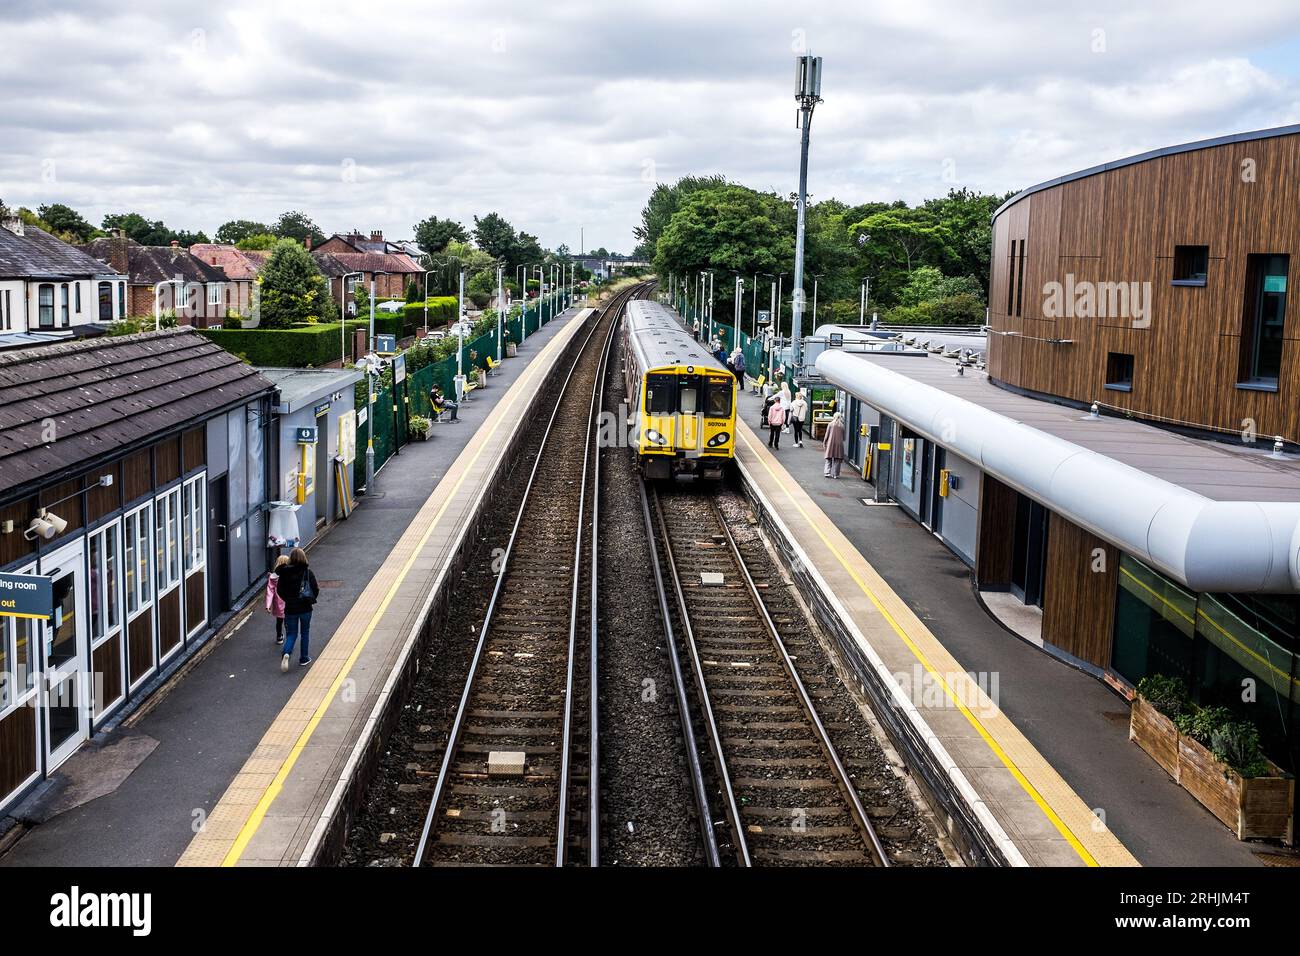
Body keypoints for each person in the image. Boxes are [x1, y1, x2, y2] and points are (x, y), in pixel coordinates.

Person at [277, 548, 319, 671]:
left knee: (291, 633)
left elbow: (280, 590)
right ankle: (304, 658)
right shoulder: (307, 572)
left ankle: (286, 653)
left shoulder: (284, 573)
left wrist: (288, 600)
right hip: (305, 607)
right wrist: (310, 599)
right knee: (305, 632)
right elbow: (315, 589)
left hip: (290, 608)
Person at [266, 554, 288, 645]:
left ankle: (279, 637)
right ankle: (290, 636)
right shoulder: (289, 575)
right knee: (288, 620)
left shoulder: (273, 578)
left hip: (278, 603)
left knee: (279, 621)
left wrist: (268, 605)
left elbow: (269, 592)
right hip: (288, 602)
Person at [823, 411, 846, 478]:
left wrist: (824, 442)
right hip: (839, 444)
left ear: (834, 417)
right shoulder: (842, 426)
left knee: (828, 458)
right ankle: (836, 474)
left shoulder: (830, 424)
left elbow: (827, 435)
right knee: (837, 460)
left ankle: (827, 472)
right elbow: (844, 438)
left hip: (830, 443)